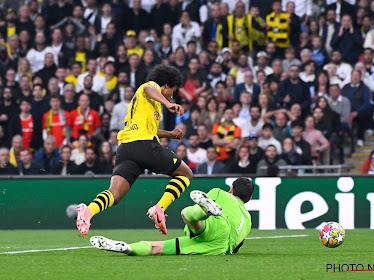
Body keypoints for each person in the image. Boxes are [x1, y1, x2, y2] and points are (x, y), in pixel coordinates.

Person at [76, 65, 192, 236]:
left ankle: (89, 211)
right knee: (185, 174)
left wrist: (169, 134)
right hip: (143, 145)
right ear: (166, 85)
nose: (172, 96)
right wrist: (168, 103)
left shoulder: (146, 105)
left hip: (126, 148)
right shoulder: (150, 88)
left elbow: (147, 130)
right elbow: (148, 87)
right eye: (172, 92)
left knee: (115, 194)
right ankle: (159, 209)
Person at [91, 177, 253, 256]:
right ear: (249, 199)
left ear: (231, 189)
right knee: (162, 248)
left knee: (187, 214)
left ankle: (202, 211)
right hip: (220, 247)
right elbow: (237, 246)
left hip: (216, 226)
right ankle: (128, 248)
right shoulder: (248, 219)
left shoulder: (220, 193)